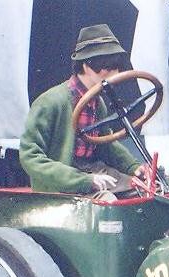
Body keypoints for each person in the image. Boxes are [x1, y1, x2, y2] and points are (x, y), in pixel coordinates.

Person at [19, 24, 148, 194]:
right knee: (106, 205)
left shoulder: (98, 102)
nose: (115, 73)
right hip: (63, 184)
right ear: (87, 65)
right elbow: (30, 156)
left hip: (93, 170)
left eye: (117, 66)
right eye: (108, 67)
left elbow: (106, 144)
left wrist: (134, 167)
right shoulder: (50, 102)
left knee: (143, 191)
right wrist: (84, 180)